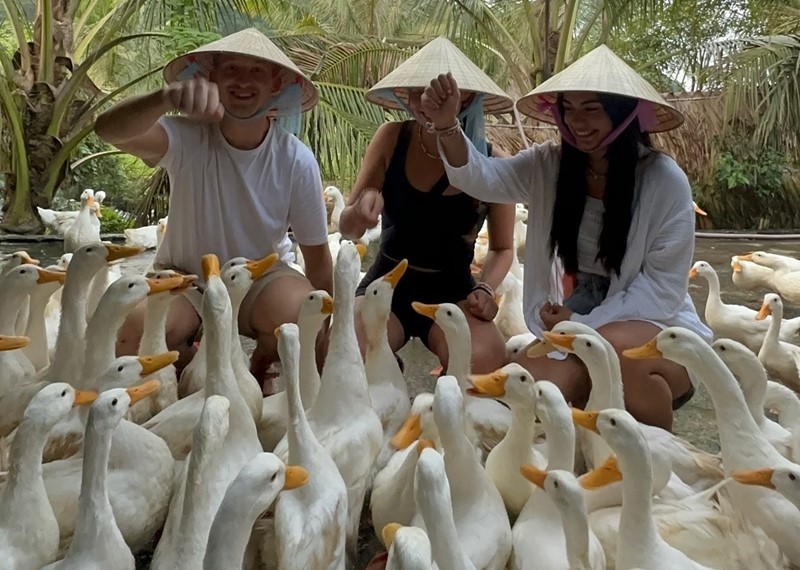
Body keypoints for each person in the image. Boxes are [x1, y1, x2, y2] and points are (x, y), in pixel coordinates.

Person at [421, 44, 713, 431]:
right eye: (568, 108)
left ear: (623, 113)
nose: (577, 121)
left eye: (591, 109)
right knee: (521, 391)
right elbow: (481, 178)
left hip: (655, 321)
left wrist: (580, 322)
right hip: (582, 313)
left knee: (615, 353)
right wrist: (447, 126)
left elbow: (661, 291)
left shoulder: (664, 181)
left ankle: (657, 464)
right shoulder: (550, 165)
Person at [95, 28, 333, 394]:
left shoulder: (295, 160)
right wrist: (165, 98)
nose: (242, 81)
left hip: (261, 277)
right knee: (130, 331)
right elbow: (109, 130)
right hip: (186, 277)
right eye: (232, 69)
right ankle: (190, 357)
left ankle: (259, 364)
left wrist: (327, 334)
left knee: (304, 315)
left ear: (276, 85)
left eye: (257, 72)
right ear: (211, 77)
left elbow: (317, 257)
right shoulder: (185, 136)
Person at [340, 37, 516, 374]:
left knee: (485, 361)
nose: (427, 100)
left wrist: (485, 287)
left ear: (465, 96)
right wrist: (360, 213)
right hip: (387, 284)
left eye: (440, 91)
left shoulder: (492, 162)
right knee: (344, 355)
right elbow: (347, 229)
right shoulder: (392, 138)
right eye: (419, 90)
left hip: (454, 291)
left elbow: (504, 248)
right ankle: (387, 371)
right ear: (405, 95)